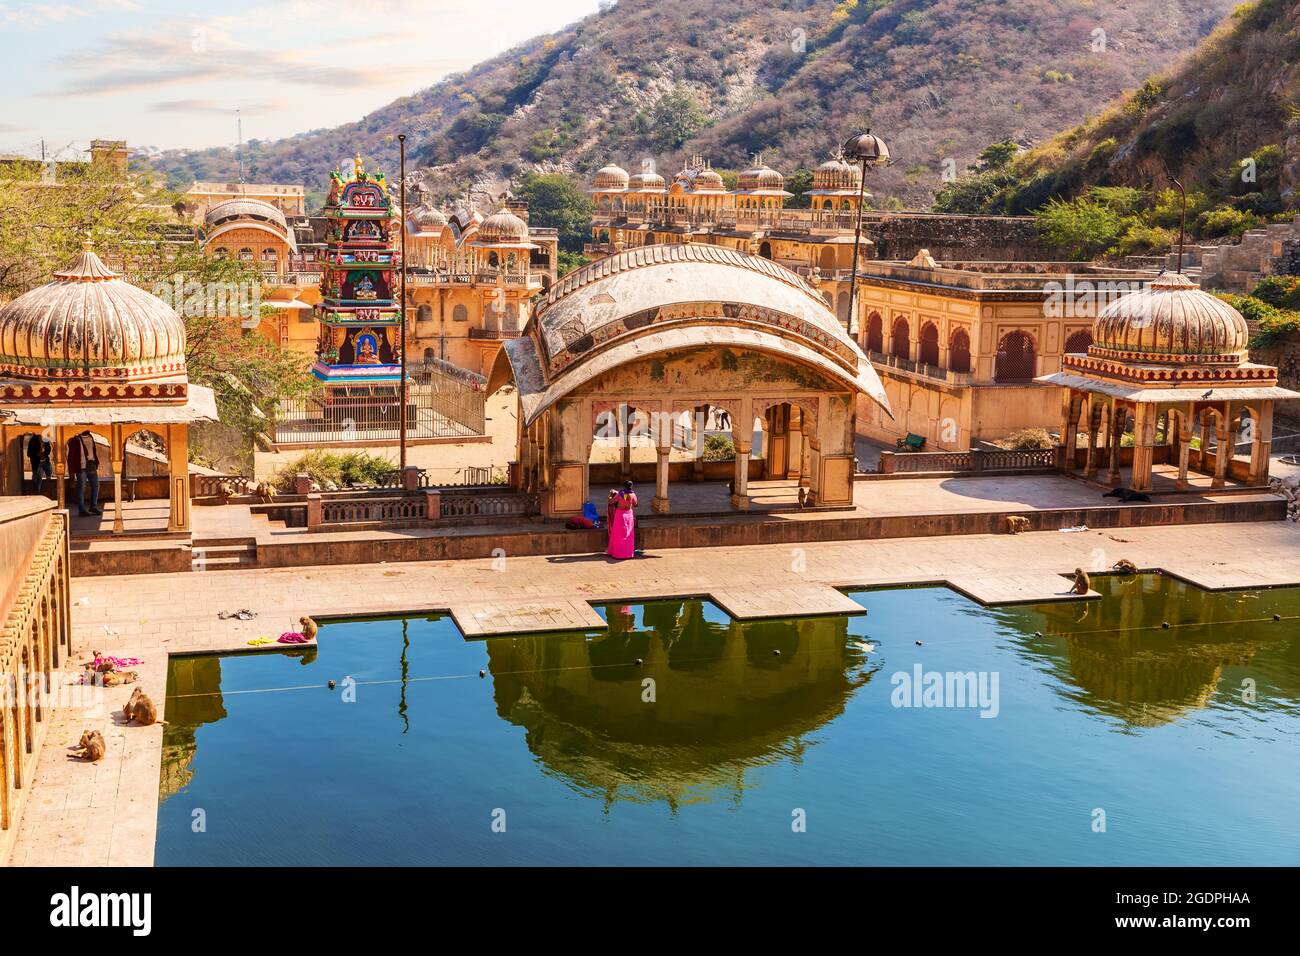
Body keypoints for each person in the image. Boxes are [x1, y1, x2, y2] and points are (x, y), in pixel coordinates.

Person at [67, 431, 102, 516]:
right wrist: (71, 472)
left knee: (96, 485)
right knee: (81, 488)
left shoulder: (90, 437)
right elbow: (71, 456)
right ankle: (81, 509)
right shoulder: (75, 440)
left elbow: (93, 450)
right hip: (81, 467)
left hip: (91, 465)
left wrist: (95, 462)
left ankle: (93, 506)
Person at [607, 479, 638, 560]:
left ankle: (618, 553)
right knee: (628, 534)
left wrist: (610, 495)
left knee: (618, 534)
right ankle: (627, 554)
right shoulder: (633, 494)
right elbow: (635, 504)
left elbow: (611, 502)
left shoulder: (621, 494)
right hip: (629, 515)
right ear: (631, 486)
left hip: (620, 515)